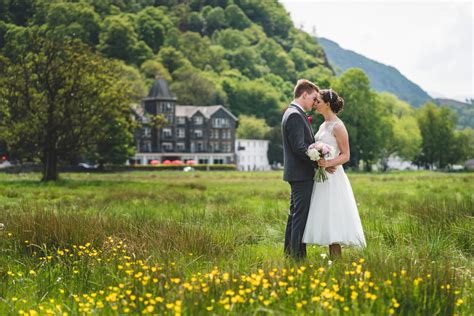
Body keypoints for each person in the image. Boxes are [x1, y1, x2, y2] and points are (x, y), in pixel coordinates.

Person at [302, 89, 366, 258]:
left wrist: (328, 163)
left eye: (318, 102)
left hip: (333, 178)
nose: (315, 104)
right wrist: (317, 160)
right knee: (324, 217)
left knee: (333, 217)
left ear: (327, 104)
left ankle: (337, 263)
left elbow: (346, 155)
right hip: (321, 177)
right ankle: (333, 261)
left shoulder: (338, 126)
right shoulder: (323, 125)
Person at [281, 79, 336, 260]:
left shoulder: (293, 112)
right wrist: (317, 158)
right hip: (301, 174)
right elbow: (299, 147)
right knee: (300, 217)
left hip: (296, 173)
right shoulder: (295, 115)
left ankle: (290, 254)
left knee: (294, 214)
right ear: (304, 95)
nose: (314, 102)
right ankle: (297, 257)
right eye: (313, 98)